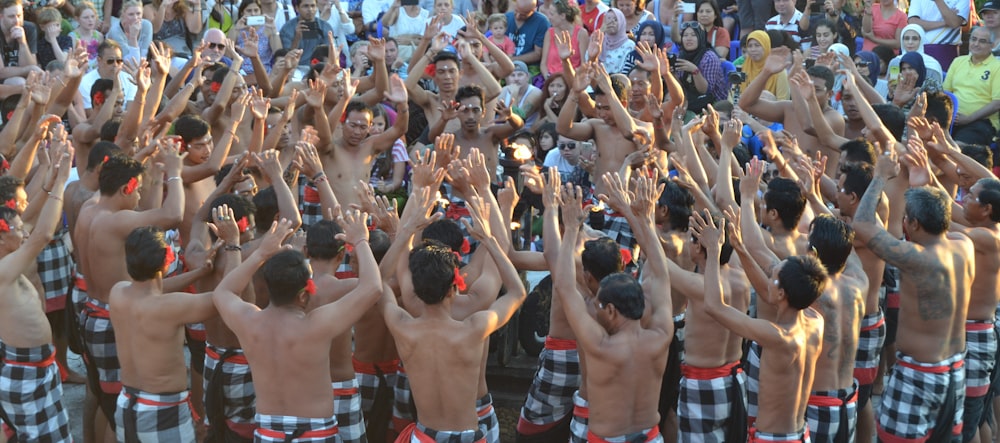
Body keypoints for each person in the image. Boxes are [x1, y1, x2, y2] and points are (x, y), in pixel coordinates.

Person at [213, 209, 381, 441]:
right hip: (317, 434)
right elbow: (373, 287)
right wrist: (361, 239)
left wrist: (261, 253)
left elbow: (224, 291)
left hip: (268, 433)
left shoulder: (249, 321)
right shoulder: (318, 325)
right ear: (303, 296)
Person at [381, 185, 526, 442]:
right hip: (470, 430)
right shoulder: (476, 324)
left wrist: (400, 234)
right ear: (454, 286)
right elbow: (517, 292)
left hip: (424, 434)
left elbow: (377, 283)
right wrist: (490, 238)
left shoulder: (401, 322)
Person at [852, 150, 972, 442]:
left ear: (914, 225)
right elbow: (939, 211)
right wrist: (923, 183)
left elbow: (862, 224)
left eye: (905, 219)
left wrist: (880, 175)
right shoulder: (963, 245)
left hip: (919, 376)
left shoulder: (915, 257)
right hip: (955, 371)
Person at [74, 145, 186, 437]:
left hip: (91, 312)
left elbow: (115, 180)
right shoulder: (117, 221)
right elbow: (173, 215)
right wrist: (174, 172)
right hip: (110, 318)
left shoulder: (90, 207)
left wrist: (145, 156)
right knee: (117, 406)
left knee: (103, 399)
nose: (139, 198)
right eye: (137, 191)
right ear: (126, 189)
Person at [702, 207, 827, 442]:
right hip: (799, 434)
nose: (767, 279)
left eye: (773, 276)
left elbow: (713, 306)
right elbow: (768, 291)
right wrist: (739, 247)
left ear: (781, 294)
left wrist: (712, 252)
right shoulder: (814, 320)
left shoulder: (778, 336)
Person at [110, 219, 226, 441]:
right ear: (166, 261)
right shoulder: (172, 307)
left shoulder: (118, 292)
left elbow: (152, 288)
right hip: (163, 412)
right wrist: (234, 246)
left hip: (127, 404)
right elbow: (225, 297)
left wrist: (199, 272)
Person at [0, 138, 73, 442]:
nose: (23, 229)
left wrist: (50, 171)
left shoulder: (9, 259)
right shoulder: (3, 270)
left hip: (37, 367)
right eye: (17, 228)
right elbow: (43, 233)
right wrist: (63, 180)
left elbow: (34, 216)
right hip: (25, 372)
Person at [557, 62, 652, 251]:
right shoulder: (596, 126)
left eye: (606, 107)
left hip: (626, 209)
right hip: (596, 205)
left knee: (622, 266)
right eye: (598, 107)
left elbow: (629, 132)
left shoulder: (645, 129)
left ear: (622, 103)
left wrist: (610, 91)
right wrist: (574, 93)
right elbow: (563, 128)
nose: (601, 113)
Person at [942, 26, 1000, 147]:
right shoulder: (958, 62)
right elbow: (945, 93)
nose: (976, 44)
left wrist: (968, 118)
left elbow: (997, 103)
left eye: (982, 41)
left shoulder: (997, 67)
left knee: (955, 148)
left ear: (993, 45)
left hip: (982, 122)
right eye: (974, 39)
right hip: (952, 119)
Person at [675, 21, 727, 112]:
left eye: (693, 35)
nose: (689, 38)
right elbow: (680, 87)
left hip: (712, 104)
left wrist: (695, 71)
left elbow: (705, 91)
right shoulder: (681, 56)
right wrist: (671, 73)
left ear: (701, 37)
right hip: (690, 101)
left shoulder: (709, 58)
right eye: (685, 35)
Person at [907, 0, 968, 71]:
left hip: (945, 52)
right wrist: (945, 23)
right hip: (920, 49)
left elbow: (954, 23)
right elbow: (913, 22)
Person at [540, 0, 586, 78]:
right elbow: (543, 64)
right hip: (551, 78)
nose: (549, 17)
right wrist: (547, 77)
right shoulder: (549, 33)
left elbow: (584, 64)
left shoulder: (581, 33)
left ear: (562, 16)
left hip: (572, 78)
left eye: (552, 14)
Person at [738, 30, 790, 100]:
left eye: (757, 45)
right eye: (750, 46)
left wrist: (773, 100)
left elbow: (784, 101)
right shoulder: (742, 69)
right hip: (743, 109)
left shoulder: (779, 72)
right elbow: (732, 96)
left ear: (766, 46)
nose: (753, 49)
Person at [280, 0, 335, 65]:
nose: (310, 9)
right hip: (296, 67)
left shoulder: (325, 27)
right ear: (297, 8)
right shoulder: (287, 28)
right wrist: (297, 38)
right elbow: (288, 57)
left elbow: (328, 54)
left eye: (313, 6)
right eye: (305, 6)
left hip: (319, 67)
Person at [506, 0, 550, 74]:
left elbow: (537, 54)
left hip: (529, 67)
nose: (517, 16)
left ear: (533, 10)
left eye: (523, 14)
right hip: (505, 64)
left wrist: (511, 60)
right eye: (516, 11)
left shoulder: (541, 22)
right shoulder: (506, 18)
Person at [0, 0, 38, 83]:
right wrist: (28, 69)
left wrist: (23, 43)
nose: (17, 21)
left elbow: (31, 66)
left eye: (19, 15)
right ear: (1, 16)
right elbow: (1, 73)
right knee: (19, 82)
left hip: (21, 76)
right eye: (11, 16)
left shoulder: (29, 28)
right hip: (3, 83)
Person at [595, 8, 635, 75]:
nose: (611, 22)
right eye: (608, 19)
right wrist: (600, 33)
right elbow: (588, 59)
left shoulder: (629, 45)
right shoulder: (599, 41)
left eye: (615, 20)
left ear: (621, 22)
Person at [70, 1, 105, 69]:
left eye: (92, 16)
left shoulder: (99, 36)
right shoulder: (73, 37)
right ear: (77, 19)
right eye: (86, 17)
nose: (90, 20)